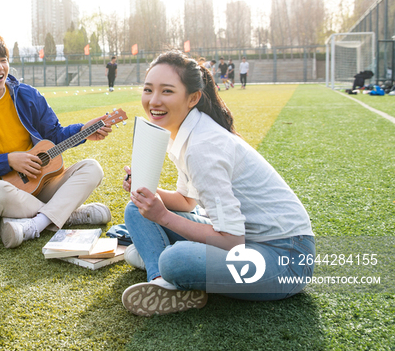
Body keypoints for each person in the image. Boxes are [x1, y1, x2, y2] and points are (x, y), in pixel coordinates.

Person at [120, 50, 314, 316]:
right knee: (136, 208)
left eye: (167, 91)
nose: (153, 101)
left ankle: (166, 268)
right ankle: (160, 282)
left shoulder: (203, 146)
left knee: (176, 259)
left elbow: (232, 243)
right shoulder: (188, 132)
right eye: (148, 90)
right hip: (247, 240)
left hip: (285, 258)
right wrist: (147, 193)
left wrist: (163, 217)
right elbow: (187, 202)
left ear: (193, 98)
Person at [0, 32, 113, 249]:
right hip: (0, 189)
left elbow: (53, 135)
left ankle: (36, 223)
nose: (0, 67)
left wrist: (82, 130)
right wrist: (8, 161)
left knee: (92, 168)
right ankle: (69, 215)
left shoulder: (28, 95)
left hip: (40, 182)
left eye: (3, 60)